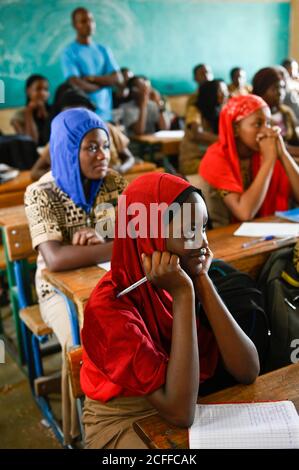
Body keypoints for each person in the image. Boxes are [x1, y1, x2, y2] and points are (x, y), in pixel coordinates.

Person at [80, 172, 260, 449]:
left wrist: (202, 280)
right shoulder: (109, 307)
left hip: (189, 397)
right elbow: (180, 413)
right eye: (188, 232)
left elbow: (247, 370)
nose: (201, 243)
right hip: (123, 418)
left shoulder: (181, 277)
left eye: (202, 228)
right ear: (148, 236)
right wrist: (184, 295)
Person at [25, 108, 127, 445]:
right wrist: (113, 246)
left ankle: (127, 405)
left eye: (106, 146)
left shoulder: (113, 182)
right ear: (69, 150)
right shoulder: (42, 193)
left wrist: (100, 244)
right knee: (80, 340)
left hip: (107, 279)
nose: (102, 156)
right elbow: (54, 259)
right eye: (91, 148)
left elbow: (134, 237)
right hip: (57, 291)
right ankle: (79, 429)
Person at [198, 95, 299, 228]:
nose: (267, 130)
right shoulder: (216, 158)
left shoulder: (263, 151)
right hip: (228, 239)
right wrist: (269, 161)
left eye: (268, 123)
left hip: (268, 233)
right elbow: (244, 213)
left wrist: (283, 154)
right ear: (235, 129)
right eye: (258, 124)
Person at [61, 7, 122, 121]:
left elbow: (117, 78)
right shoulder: (69, 52)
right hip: (84, 115)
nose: (89, 24)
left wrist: (91, 78)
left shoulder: (103, 50)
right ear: (75, 25)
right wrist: (105, 83)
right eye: (83, 21)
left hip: (106, 115)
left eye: (91, 20)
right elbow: (75, 83)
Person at [179, 79, 228, 182]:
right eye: (220, 91)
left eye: (226, 90)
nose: (225, 94)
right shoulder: (195, 110)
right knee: (224, 168)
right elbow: (197, 133)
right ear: (210, 94)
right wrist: (223, 139)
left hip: (210, 158)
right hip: (193, 161)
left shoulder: (221, 111)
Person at [252, 67, 299, 150]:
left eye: (282, 87)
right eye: (275, 88)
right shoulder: (256, 119)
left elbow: (295, 140)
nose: (281, 92)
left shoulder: (286, 112)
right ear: (261, 91)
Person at [11, 74, 50, 146]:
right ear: (28, 91)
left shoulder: (54, 110)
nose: (42, 93)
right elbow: (30, 142)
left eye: (46, 89)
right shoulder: (19, 115)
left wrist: (44, 113)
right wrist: (29, 112)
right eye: (38, 89)